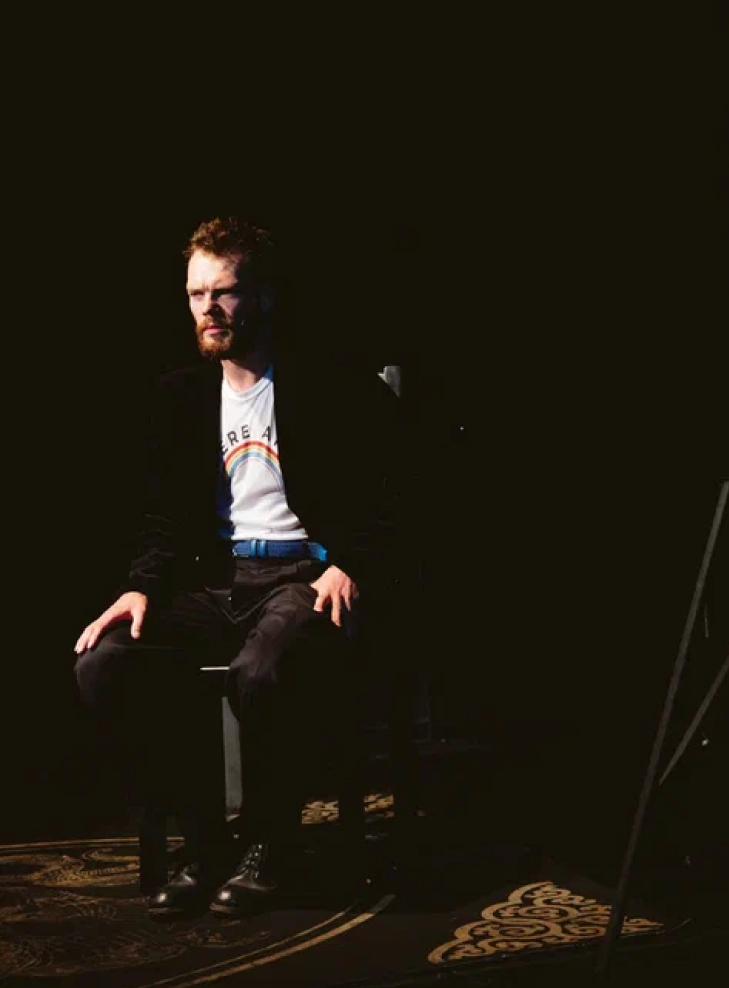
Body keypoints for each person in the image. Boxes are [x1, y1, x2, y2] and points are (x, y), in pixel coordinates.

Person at [73, 215, 406, 920]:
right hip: (216, 580)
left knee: (262, 670)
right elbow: (163, 518)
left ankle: (269, 845)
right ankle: (205, 845)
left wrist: (351, 563)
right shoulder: (181, 396)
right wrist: (138, 587)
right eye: (196, 294)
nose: (209, 309)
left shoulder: (330, 384)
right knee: (105, 664)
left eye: (223, 292)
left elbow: (399, 489)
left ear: (262, 297)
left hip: (303, 574)